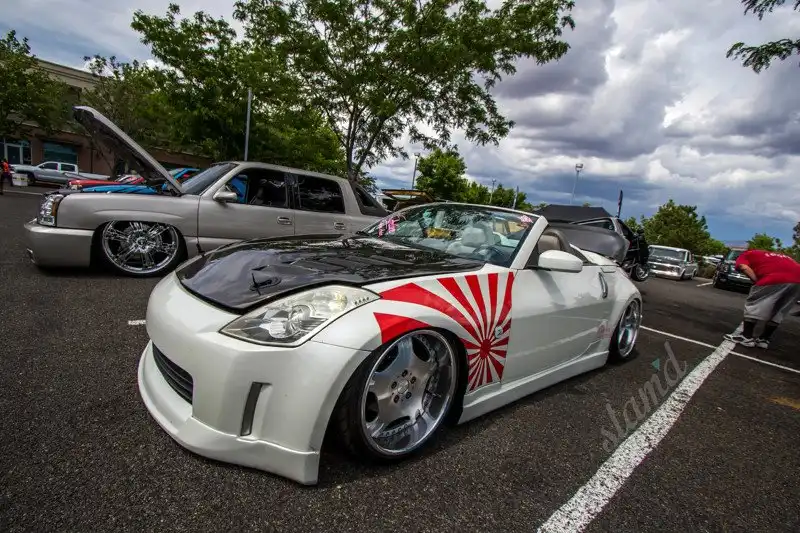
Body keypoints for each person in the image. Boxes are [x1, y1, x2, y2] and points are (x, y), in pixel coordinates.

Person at [724, 249, 800, 348]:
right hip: (798, 281)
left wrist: (756, 281)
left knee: (754, 303)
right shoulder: (776, 256)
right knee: (780, 310)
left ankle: (746, 337)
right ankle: (764, 339)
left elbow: (743, 267)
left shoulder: (745, 255)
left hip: (775, 278)